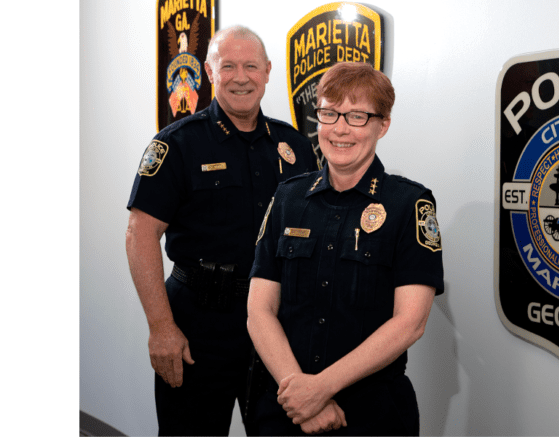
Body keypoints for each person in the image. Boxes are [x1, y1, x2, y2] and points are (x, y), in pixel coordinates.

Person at [125, 25, 318, 436]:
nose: (241, 77)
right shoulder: (178, 145)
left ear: (267, 71)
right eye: (228, 66)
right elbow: (139, 234)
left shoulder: (296, 147)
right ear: (210, 73)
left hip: (274, 324)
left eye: (251, 66)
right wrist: (161, 327)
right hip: (197, 323)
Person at [246, 62, 445, 435]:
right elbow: (259, 310)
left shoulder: (409, 205)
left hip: (371, 411)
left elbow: (410, 323)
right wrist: (302, 394)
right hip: (285, 404)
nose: (339, 128)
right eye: (329, 113)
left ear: (382, 125)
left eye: (357, 116)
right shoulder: (288, 198)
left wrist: (320, 388)